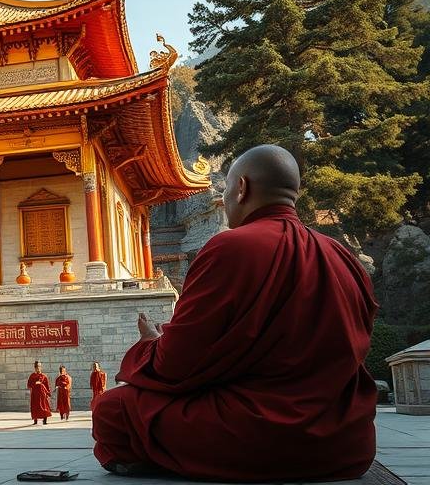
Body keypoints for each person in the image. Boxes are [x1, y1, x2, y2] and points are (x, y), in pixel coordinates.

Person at [91, 145, 378, 481]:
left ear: (241, 188)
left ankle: (175, 458)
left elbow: (177, 365)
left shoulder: (230, 246)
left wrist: (150, 343)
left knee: (112, 409)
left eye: (225, 190)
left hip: (256, 433)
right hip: (345, 443)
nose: (225, 200)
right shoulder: (344, 258)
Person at [27, 360, 52, 425]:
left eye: (39, 366)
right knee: (35, 407)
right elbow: (29, 385)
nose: (38, 368)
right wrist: (35, 383)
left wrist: (48, 393)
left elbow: (47, 385)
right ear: (34, 367)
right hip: (35, 395)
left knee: (44, 407)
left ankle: (45, 420)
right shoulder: (32, 376)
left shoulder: (44, 376)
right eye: (37, 366)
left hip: (42, 394)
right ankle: (35, 420)